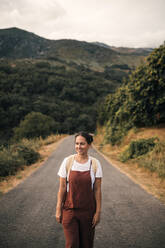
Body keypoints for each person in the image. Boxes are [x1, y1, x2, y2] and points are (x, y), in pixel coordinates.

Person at [56, 131, 103, 248]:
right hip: (69, 210)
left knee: (86, 244)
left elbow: (97, 190)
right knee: (72, 244)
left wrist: (97, 212)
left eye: (82, 144)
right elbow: (62, 187)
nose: (79, 147)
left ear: (89, 145)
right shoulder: (67, 162)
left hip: (88, 212)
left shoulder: (95, 164)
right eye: (76, 143)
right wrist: (58, 209)